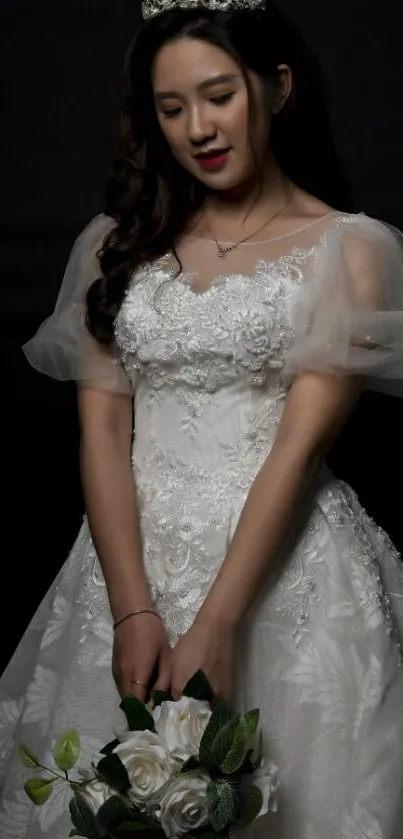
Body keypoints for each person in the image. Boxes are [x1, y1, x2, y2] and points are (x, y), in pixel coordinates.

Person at [1, 1, 403, 836]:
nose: (197, 128)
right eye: (171, 107)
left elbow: (300, 445)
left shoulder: (352, 248)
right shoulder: (116, 243)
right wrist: (132, 609)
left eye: (218, 96)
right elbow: (104, 435)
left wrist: (218, 623)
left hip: (285, 573)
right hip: (127, 562)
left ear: (277, 87)